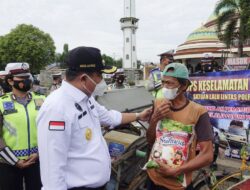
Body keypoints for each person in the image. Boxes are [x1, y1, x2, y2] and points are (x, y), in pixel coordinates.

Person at [37, 46, 152, 190]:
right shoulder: (57, 108)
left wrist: (138, 115)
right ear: (84, 78)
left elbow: (109, 117)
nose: (102, 81)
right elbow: (52, 171)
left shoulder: (86, 98)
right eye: (100, 75)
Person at [146, 62, 214, 190]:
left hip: (178, 184)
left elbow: (207, 155)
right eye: (163, 82)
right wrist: (155, 118)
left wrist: (177, 171)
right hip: (153, 178)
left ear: (183, 86)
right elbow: (150, 141)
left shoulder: (198, 111)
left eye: (170, 83)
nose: (164, 87)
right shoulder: (159, 103)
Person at [0, 62, 45, 190]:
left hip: (37, 161)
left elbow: (49, 131)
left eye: (28, 77)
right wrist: (15, 161)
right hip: (8, 164)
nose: (26, 81)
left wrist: (39, 154)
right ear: (10, 81)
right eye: (21, 78)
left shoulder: (42, 100)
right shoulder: (1, 103)